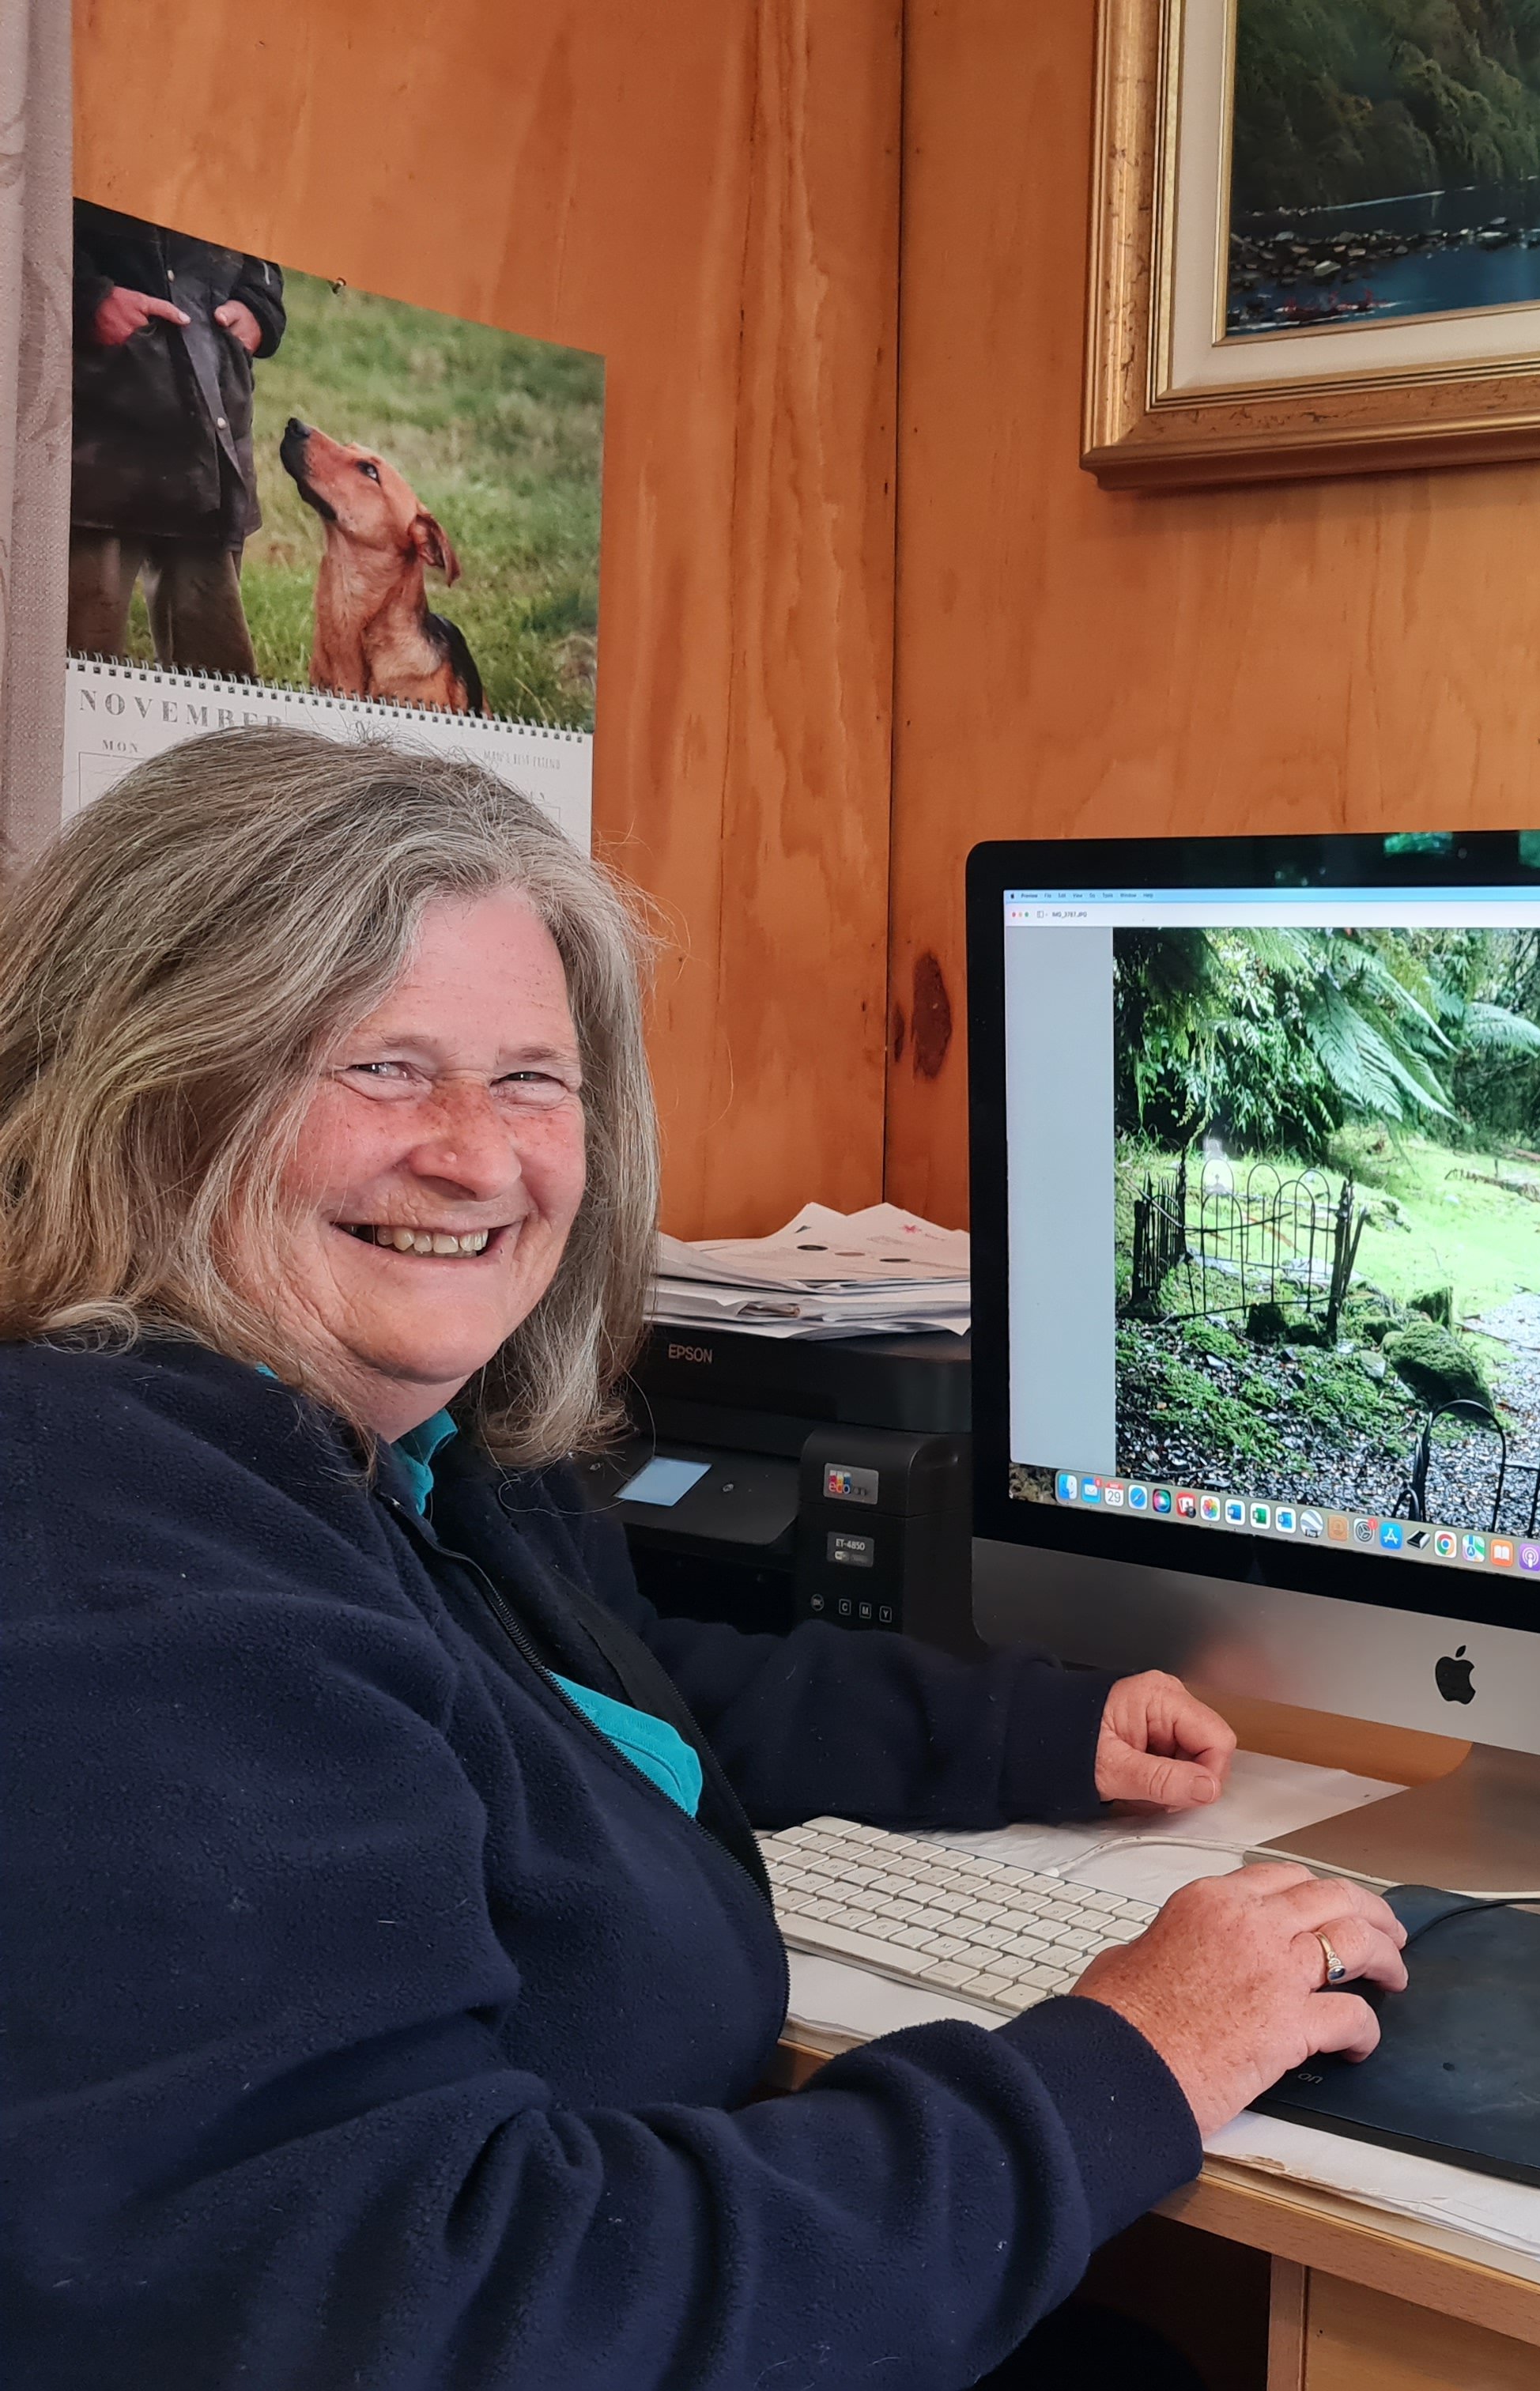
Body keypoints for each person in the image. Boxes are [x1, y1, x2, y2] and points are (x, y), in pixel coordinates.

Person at [0, 729, 1411, 2389]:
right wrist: (1127, 2062)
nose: (476, 1153)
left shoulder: (379, 1461)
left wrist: (1014, 1733)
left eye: (531, 1078)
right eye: (377, 1067)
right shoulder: (112, 1570)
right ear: (145, 1093)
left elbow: (596, 1716)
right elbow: (447, 2311)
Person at [68, 201, 287, 678]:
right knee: (76, 649)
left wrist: (260, 306)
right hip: (96, 428)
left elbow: (266, 215)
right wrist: (86, 296)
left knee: (216, 668)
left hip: (209, 415)